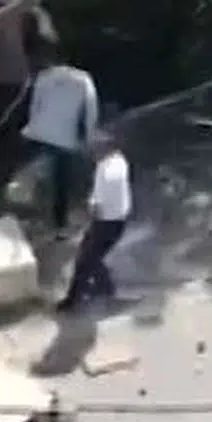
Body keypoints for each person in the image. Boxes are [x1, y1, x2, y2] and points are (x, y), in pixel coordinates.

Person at [19, 37, 100, 238]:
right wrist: (88, 137)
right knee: (61, 182)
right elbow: (91, 110)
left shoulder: (43, 77)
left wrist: (30, 130)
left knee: (34, 169)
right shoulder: (83, 79)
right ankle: (59, 224)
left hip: (39, 133)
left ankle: (26, 209)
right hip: (64, 139)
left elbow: (34, 108)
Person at [56, 131, 132, 312]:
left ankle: (72, 301)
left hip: (107, 223)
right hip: (115, 221)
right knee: (92, 256)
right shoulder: (116, 161)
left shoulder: (109, 172)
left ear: (106, 148)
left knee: (84, 261)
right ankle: (104, 288)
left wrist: (91, 216)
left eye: (97, 147)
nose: (93, 151)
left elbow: (99, 204)